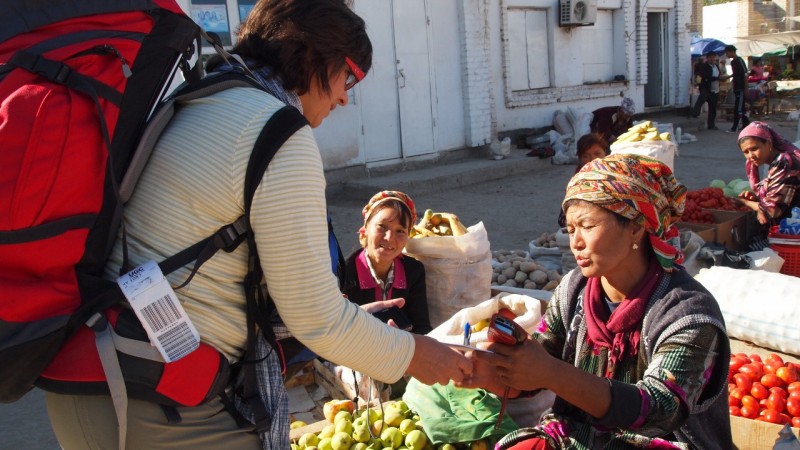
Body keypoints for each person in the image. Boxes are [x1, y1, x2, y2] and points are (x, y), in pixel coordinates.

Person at [44, 1, 471, 449]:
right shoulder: (278, 132)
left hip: (102, 365)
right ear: (313, 56)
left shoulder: (206, 94)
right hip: (154, 395)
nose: (345, 96)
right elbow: (318, 320)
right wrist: (420, 355)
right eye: (349, 76)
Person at [461, 154, 732, 449]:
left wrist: (549, 371)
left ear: (635, 227)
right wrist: (497, 373)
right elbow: (539, 368)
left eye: (587, 226)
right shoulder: (574, 289)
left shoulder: (687, 312)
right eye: (571, 228)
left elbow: (659, 410)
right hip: (578, 437)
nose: (575, 242)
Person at [340, 191, 433, 334]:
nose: (390, 238)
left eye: (400, 231)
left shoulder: (414, 271)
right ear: (365, 229)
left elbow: (422, 328)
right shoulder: (343, 275)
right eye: (382, 227)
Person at [736, 121, 800, 232]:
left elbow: (773, 210)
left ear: (769, 144)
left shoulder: (785, 163)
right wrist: (758, 199)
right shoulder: (778, 160)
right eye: (746, 152)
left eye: (754, 149)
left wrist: (744, 202)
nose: (751, 156)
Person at [557, 133, 610, 228]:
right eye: (586, 156)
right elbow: (563, 220)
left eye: (597, 154)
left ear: (605, 153)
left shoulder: (614, 177)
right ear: (580, 158)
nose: (593, 159)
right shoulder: (576, 182)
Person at [691, 50, 728, 130]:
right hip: (706, 87)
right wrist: (717, 78)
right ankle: (694, 113)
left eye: (713, 57)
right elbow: (705, 77)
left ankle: (711, 125)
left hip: (715, 88)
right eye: (710, 57)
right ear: (707, 58)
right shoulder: (704, 66)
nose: (712, 59)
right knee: (702, 99)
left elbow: (719, 75)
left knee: (713, 107)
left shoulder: (716, 66)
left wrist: (720, 79)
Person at [726, 45, 751, 133]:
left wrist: (746, 87)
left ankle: (735, 127)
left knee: (739, 108)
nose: (726, 55)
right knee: (741, 108)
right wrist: (728, 77)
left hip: (741, 88)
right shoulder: (733, 62)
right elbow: (736, 74)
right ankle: (746, 125)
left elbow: (745, 74)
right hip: (736, 87)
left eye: (727, 52)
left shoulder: (739, 60)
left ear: (731, 52)